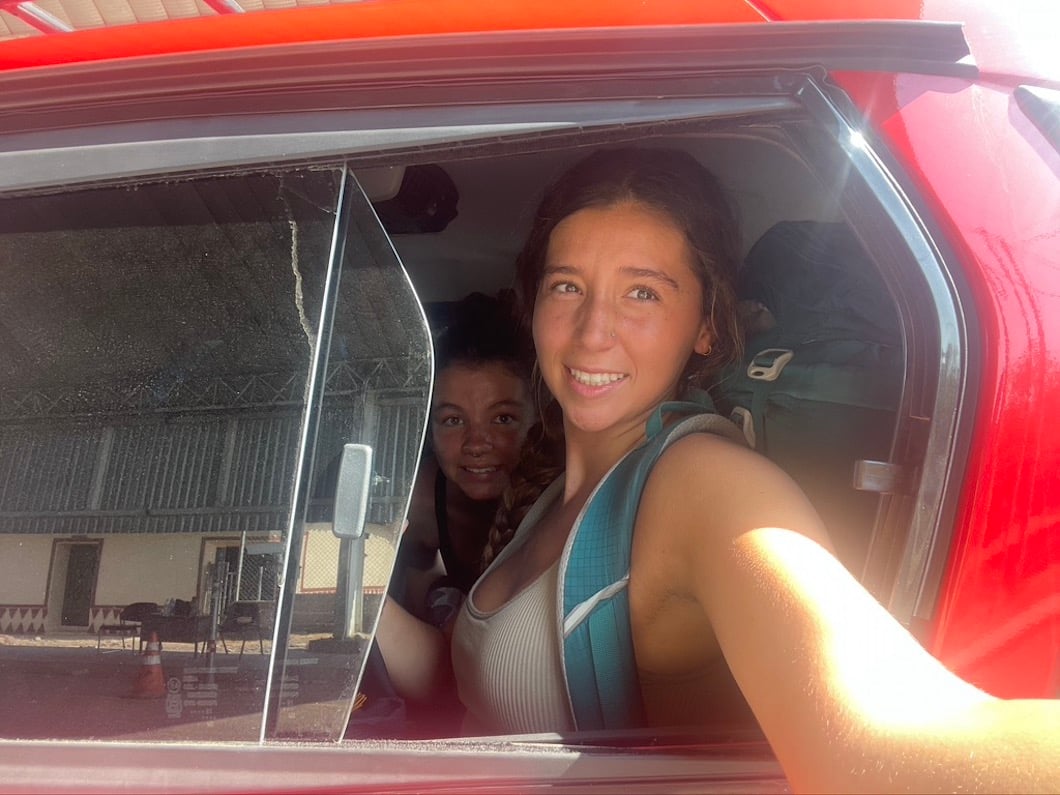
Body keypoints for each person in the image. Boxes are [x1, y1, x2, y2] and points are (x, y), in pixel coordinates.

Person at [379, 147, 1060, 792]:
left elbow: (883, 743)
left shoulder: (702, 484)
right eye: (567, 286)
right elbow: (464, 682)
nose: (591, 331)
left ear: (705, 325)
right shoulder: (553, 488)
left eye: (642, 293)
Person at [390, 291, 533, 626]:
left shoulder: (561, 497)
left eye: (502, 419)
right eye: (453, 420)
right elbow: (420, 621)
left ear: (538, 419)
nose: (477, 444)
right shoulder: (422, 501)